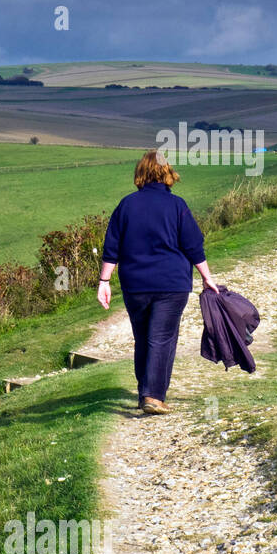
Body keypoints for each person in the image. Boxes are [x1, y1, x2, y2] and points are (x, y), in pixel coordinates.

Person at [97, 150, 216, 415]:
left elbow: (111, 247)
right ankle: (152, 395)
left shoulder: (127, 205)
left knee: (144, 338)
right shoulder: (177, 206)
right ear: (167, 173)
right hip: (171, 284)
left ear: (140, 174)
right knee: (161, 338)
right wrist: (207, 278)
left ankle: (146, 393)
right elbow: (193, 245)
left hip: (135, 284)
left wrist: (104, 281)